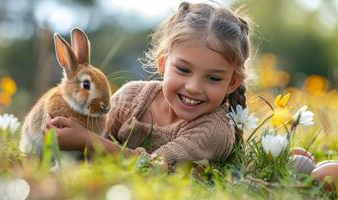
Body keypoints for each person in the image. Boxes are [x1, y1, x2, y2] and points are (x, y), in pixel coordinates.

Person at [45, 1, 252, 169]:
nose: (194, 87)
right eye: (183, 70)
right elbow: (95, 134)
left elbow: (154, 167)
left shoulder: (215, 130)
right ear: (163, 63)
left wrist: (88, 141)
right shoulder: (131, 96)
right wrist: (63, 128)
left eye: (213, 78)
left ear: (232, 82)